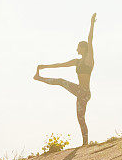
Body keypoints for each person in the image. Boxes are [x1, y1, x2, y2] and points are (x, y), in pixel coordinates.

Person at [34, 13, 96, 146]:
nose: (76, 49)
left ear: (83, 48)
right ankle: (38, 77)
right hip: (79, 90)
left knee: (81, 117)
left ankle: (85, 143)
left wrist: (92, 24)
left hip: (84, 93)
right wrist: (45, 66)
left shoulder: (89, 59)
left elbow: (90, 40)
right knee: (80, 118)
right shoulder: (77, 61)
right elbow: (61, 64)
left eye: (78, 47)